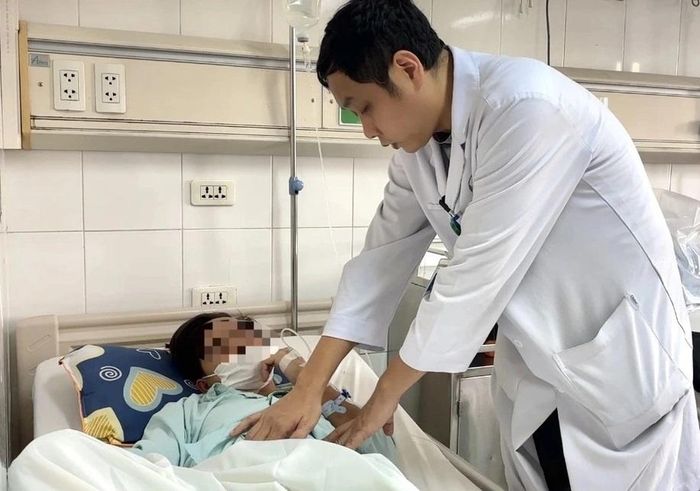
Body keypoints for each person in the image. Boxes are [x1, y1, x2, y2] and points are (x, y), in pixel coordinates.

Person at [231, 1, 700, 489]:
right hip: (542, 370)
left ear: (407, 68)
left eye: (365, 108)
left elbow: (475, 276)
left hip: (619, 364)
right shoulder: (419, 151)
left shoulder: (529, 107)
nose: (368, 130)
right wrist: (307, 389)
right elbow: (376, 266)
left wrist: (383, 399)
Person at [130, 312, 397, 467]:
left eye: (248, 335)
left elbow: (379, 448)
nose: (247, 345)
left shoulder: (313, 399)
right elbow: (146, 467)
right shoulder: (189, 411)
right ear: (204, 382)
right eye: (226, 344)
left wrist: (307, 380)